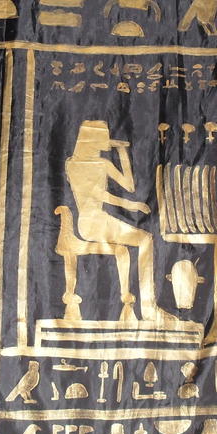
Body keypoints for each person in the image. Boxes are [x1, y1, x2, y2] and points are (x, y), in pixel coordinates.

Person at [65, 120, 178, 325]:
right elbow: (98, 194)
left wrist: (122, 153)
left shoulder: (103, 163)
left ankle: (148, 306)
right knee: (144, 239)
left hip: (101, 219)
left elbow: (129, 185)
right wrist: (132, 206)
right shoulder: (74, 164)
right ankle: (148, 308)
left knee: (144, 240)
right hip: (90, 223)